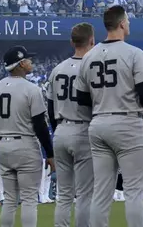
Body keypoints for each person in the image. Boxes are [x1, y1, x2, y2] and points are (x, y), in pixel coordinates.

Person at [74, 5, 143, 227]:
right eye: (127, 20)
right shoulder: (134, 53)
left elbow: (81, 100)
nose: (129, 24)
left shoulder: (89, 56)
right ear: (121, 23)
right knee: (135, 191)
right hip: (127, 121)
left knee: (101, 192)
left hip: (99, 122)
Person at [0, 45, 55, 227]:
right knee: (29, 200)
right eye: (27, 60)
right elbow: (40, 125)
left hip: (4, 145)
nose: (30, 62)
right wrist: (50, 153)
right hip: (25, 144)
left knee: (9, 200)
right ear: (21, 63)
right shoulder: (31, 89)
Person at [46, 22, 95, 227]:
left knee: (64, 195)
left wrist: (58, 131)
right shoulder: (92, 65)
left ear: (71, 41)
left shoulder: (58, 69)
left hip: (61, 129)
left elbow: (50, 107)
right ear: (92, 40)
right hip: (83, 128)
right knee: (84, 195)